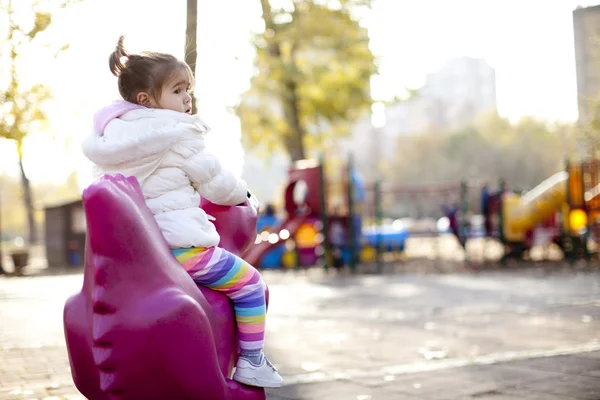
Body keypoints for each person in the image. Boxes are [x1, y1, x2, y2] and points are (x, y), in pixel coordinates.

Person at [82, 37, 282, 388]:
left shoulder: (112, 141)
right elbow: (216, 184)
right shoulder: (178, 134)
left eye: (188, 88)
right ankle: (252, 361)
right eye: (177, 90)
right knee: (251, 284)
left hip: (139, 253)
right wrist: (244, 192)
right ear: (146, 100)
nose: (187, 98)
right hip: (183, 250)